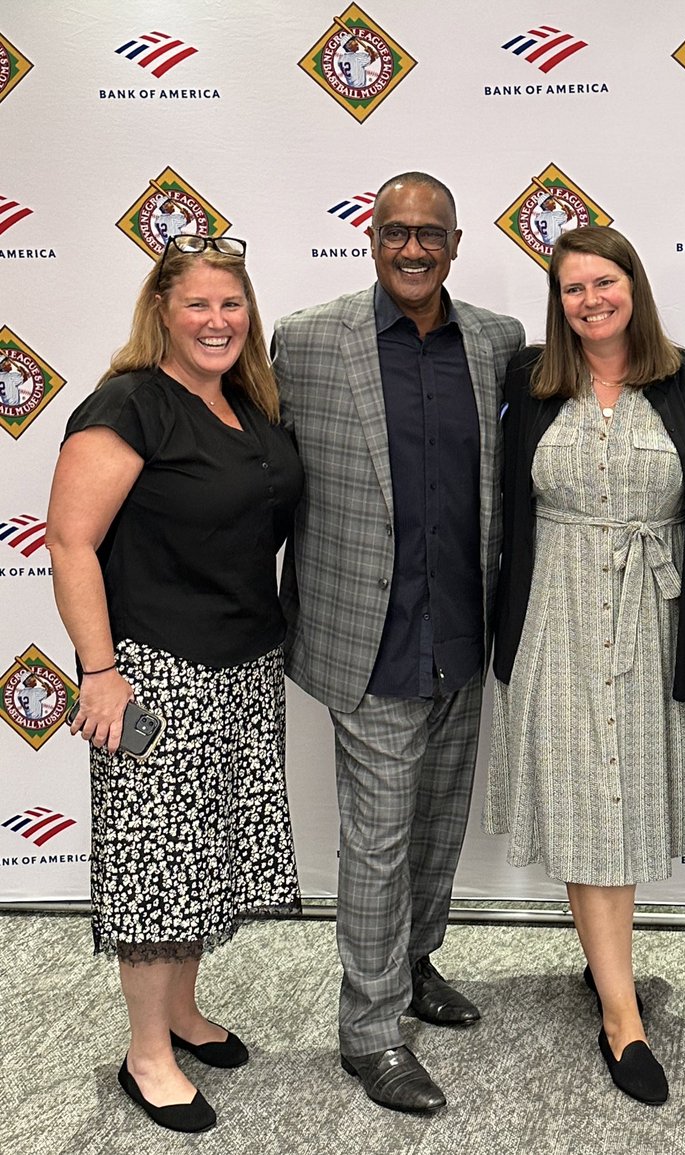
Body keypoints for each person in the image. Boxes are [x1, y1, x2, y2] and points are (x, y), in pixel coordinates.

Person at [273, 172, 524, 1114]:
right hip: (366, 637)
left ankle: (415, 964)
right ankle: (370, 1031)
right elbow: (262, 470)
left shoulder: (496, 342)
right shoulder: (307, 340)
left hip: (463, 626)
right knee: (377, 839)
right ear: (370, 239)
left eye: (430, 233)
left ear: (455, 245)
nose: (412, 248)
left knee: (438, 818)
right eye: (395, 232)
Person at [45, 234, 303, 1134]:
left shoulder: (247, 401)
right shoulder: (129, 405)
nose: (216, 320)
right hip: (156, 670)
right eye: (197, 303)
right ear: (162, 309)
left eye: (231, 304)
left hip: (244, 665)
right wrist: (100, 672)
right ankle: (146, 1053)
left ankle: (184, 1013)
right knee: (156, 866)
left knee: (205, 854)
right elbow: (69, 541)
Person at [486, 226, 685, 1105]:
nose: (591, 300)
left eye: (605, 282)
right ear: (556, 303)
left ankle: (608, 972)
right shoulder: (526, 379)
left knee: (624, 799)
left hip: (655, 616)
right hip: (554, 614)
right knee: (584, 804)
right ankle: (620, 1014)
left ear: (634, 285)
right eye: (573, 288)